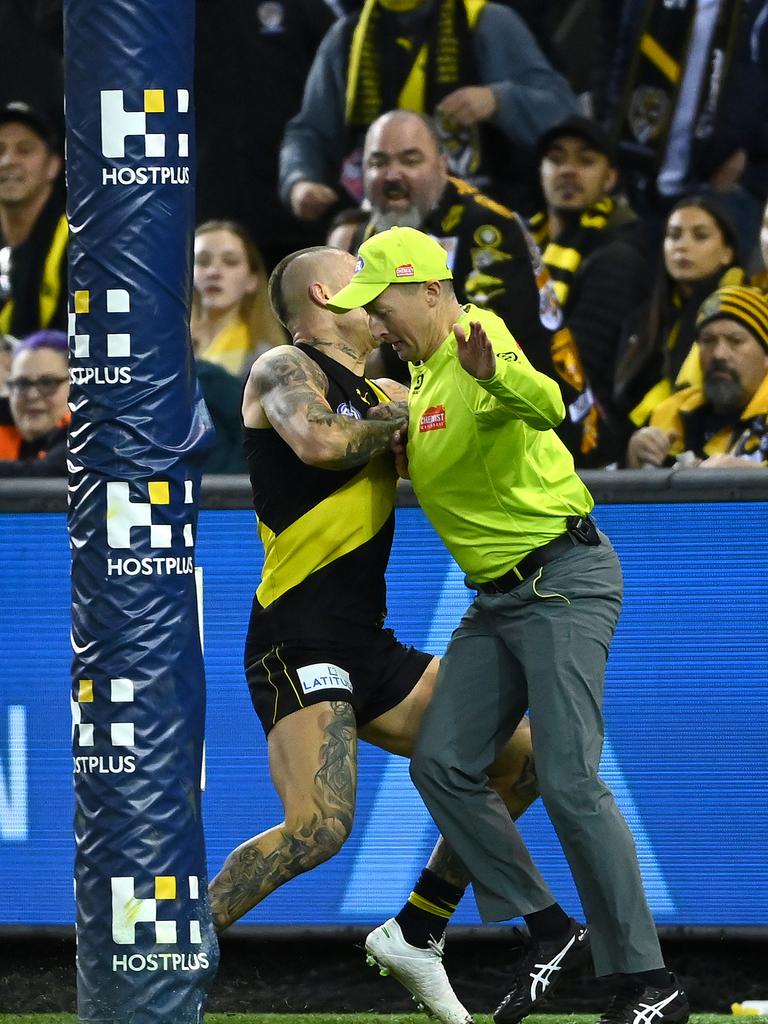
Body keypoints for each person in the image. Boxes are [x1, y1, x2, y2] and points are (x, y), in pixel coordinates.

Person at [327, 226, 690, 1024]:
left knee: (566, 777)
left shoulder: (478, 337)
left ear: (428, 289)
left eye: (380, 305)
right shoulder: (420, 379)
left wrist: (497, 376)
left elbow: (549, 402)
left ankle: (650, 984)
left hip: (563, 580)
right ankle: (552, 930)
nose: (376, 323)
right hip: (496, 600)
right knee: (443, 763)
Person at [207, 244, 539, 1024]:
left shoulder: (392, 383)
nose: (380, 292)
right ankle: (165, 956)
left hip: (367, 644)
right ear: (326, 292)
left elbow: (452, 456)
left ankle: (419, 928)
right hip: (296, 637)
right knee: (318, 828)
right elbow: (321, 442)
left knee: (524, 759)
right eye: (361, 275)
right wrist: (409, 411)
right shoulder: (281, 368)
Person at [353, 109, 612, 466]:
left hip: (541, 438)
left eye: (410, 160)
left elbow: (484, 346)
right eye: (378, 162)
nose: (393, 175)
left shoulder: (488, 228)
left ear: (443, 165)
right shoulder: (368, 237)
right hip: (453, 429)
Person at [278, 0, 578, 223]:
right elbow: (310, 131)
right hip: (386, 223)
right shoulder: (348, 38)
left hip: (486, 221)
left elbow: (564, 113)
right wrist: (300, 179)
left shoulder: (486, 22)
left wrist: (499, 100)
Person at [529, 115, 652, 417]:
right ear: (541, 172)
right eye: (556, 160)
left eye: (585, 161)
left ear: (609, 178)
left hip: (585, 420)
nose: (569, 170)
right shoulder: (523, 243)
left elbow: (583, 363)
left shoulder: (619, 256)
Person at [613, 194, 746, 436]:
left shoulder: (745, 315)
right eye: (674, 236)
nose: (682, 246)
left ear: (727, 251)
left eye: (700, 236)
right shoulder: (640, 319)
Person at [627, 285, 768, 469]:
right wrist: (634, 459)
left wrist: (753, 480)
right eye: (708, 341)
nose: (719, 354)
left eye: (735, 341)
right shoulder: (671, 412)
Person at [0, 101, 67, 338]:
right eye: (0, 150)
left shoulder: (78, 245)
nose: (8, 161)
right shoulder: (9, 254)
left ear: (53, 165)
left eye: (25, 149)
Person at [191, 220, 287, 378]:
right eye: (202, 262)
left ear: (252, 280)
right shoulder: (162, 346)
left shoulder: (268, 359)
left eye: (230, 262)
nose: (213, 272)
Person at [0, 328, 68, 476]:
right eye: (22, 384)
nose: (32, 395)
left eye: (48, 383)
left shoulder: (90, 437)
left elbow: (48, 472)